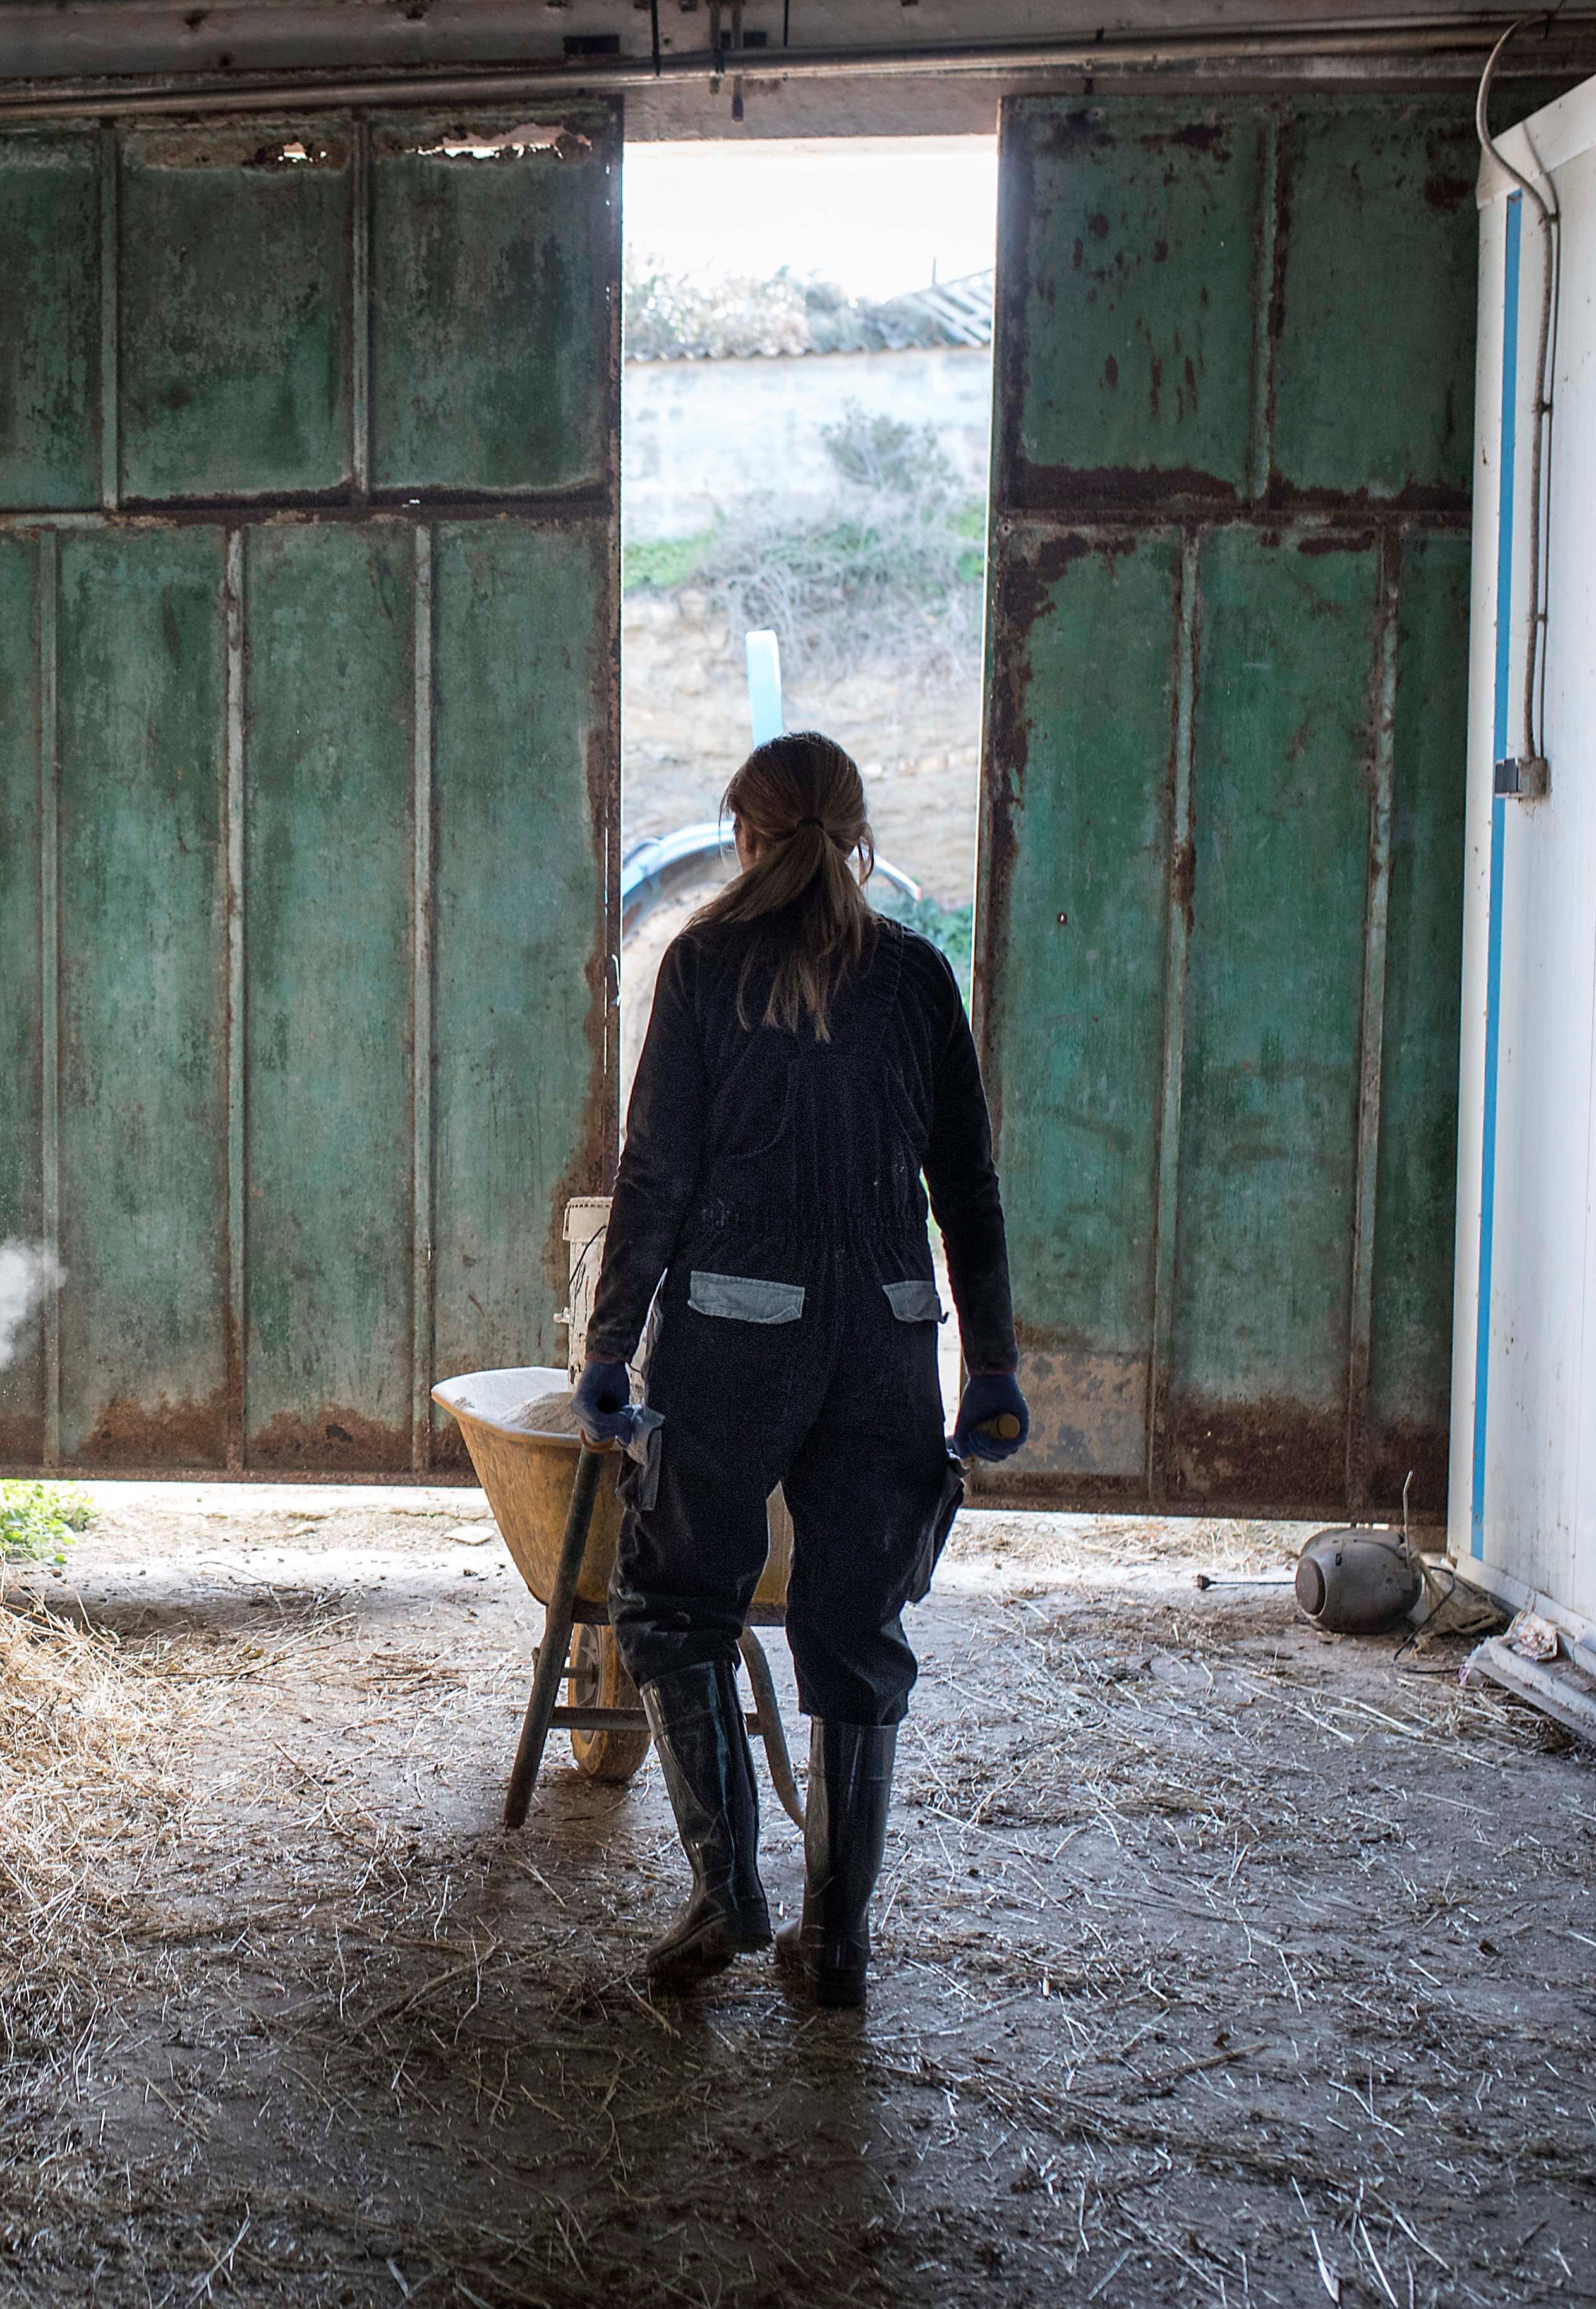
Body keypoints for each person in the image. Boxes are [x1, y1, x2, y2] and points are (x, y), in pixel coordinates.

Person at [573, 732, 1025, 2010]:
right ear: (857, 834)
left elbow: (654, 1175)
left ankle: (728, 1892)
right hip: (888, 1337)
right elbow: (969, 1193)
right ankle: (837, 1946)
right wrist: (987, 1362)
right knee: (855, 1626)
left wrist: (611, 1347)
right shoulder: (919, 977)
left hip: (732, 1336)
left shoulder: (704, 966)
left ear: (749, 836)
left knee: (672, 1602)